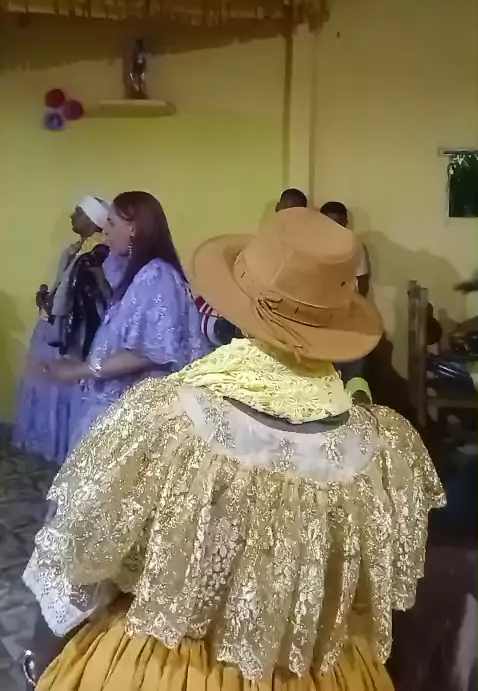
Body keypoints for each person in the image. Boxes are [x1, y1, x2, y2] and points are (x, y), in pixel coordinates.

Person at [22, 207, 445, 691]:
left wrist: (44, 652)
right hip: (311, 667)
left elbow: (82, 552)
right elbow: (367, 598)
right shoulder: (381, 449)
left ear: (235, 308)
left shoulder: (170, 416)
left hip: (167, 663)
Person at [40, 191, 209, 449]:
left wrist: (83, 369)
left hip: (136, 420)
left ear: (132, 229)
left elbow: (149, 353)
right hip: (124, 411)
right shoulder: (144, 273)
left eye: (111, 223)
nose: (105, 231)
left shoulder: (157, 275)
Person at [13, 195, 109, 464]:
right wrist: (48, 299)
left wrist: (58, 308)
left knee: (64, 388)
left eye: (78, 212)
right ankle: (47, 444)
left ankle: (63, 450)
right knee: (47, 385)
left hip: (73, 334)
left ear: (93, 220)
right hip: (56, 325)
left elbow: (96, 298)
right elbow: (65, 290)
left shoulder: (99, 254)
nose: (72, 216)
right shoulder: (76, 250)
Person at [320, 201, 370, 297]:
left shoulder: (355, 245)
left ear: (345, 224)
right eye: (328, 224)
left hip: (345, 300)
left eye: (338, 225)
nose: (333, 229)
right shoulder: (313, 244)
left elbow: (362, 281)